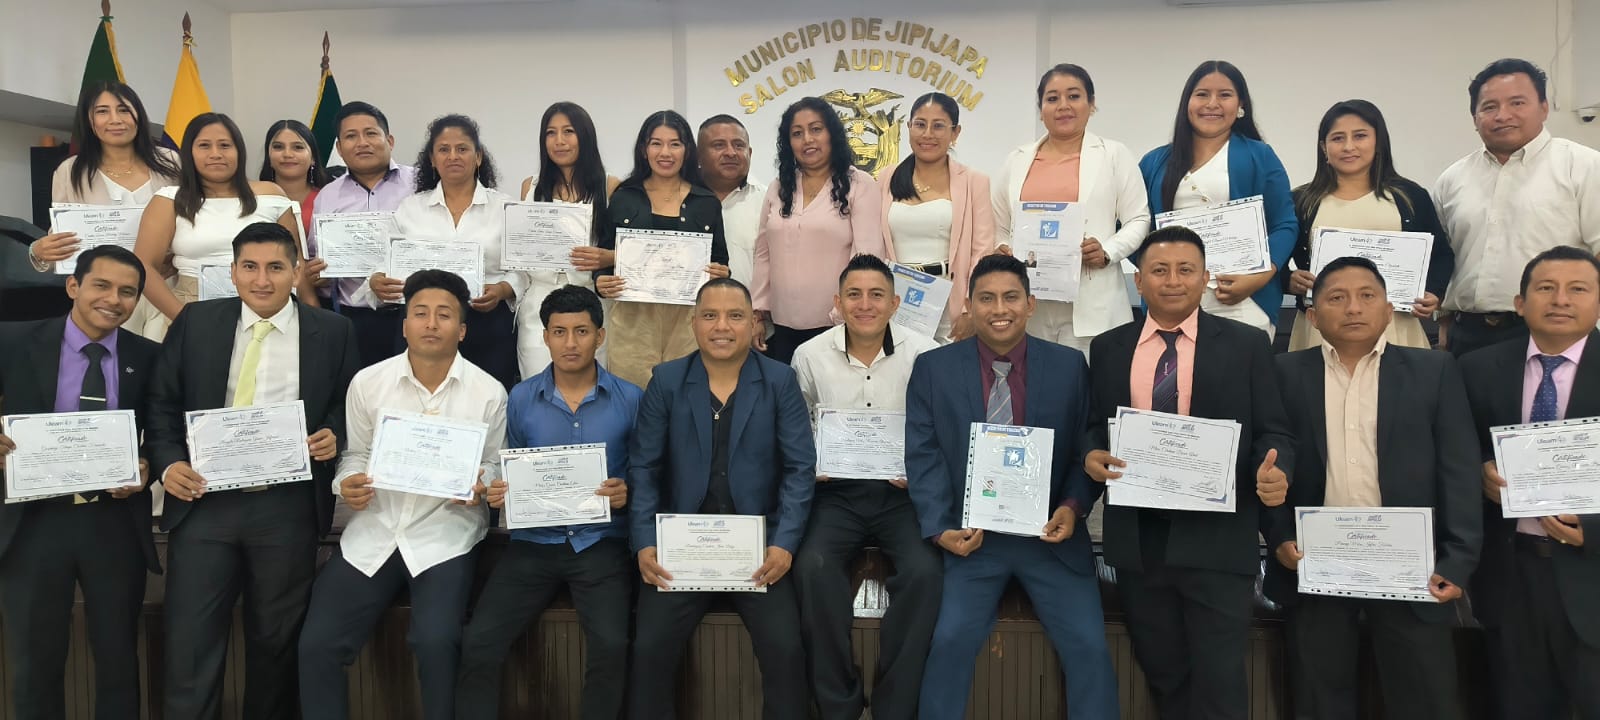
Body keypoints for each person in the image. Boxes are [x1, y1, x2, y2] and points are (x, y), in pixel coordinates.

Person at [146, 222, 359, 719]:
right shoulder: (196, 321)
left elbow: (346, 406)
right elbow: (161, 404)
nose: (262, 280)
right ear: (233, 272)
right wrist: (168, 462)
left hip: (285, 506)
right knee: (190, 643)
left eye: (276, 267)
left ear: (296, 271)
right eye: (250, 267)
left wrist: (333, 433)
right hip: (204, 503)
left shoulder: (333, 331)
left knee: (276, 644)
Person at [1083, 226, 1294, 720]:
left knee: (1221, 681)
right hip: (1140, 540)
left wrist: (1277, 469)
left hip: (1218, 539)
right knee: (1165, 676)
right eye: (1159, 270)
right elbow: (1094, 425)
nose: (1173, 280)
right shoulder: (1109, 347)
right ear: (1139, 281)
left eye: (1185, 270)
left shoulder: (1247, 344)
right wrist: (1092, 453)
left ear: (1204, 278)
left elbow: (1274, 431)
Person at [906, 253, 1118, 719]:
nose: (999, 309)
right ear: (969, 304)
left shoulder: (1069, 366)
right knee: (949, 640)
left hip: (1050, 536)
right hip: (971, 539)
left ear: (1030, 304)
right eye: (986, 298)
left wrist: (1072, 507)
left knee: (1088, 645)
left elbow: (1086, 444)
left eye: (1010, 297)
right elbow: (923, 455)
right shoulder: (934, 368)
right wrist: (940, 528)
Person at [1268, 257, 1479, 719]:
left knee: (1423, 701)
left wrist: (1458, 559)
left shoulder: (1434, 371)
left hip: (1414, 572)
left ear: (1388, 310)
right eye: (1337, 297)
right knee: (1319, 702)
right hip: (1316, 566)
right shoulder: (1283, 373)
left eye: (1367, 296)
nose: (1353, 308)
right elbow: (1269, 467)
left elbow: (1459, 471)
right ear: (1312, 315)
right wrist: (1279, 537)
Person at [298, 269, 505, 720]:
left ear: (462, 330)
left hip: (445, 532)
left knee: (436, 642)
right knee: (317, 644)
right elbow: (355, 454)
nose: (431, 323)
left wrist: (480, 486)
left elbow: (492, 464)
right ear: (405, 324)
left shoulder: (489, 392)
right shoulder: (368, 382)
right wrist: (346, 482)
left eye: (444, 315)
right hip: (376, 526)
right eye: (420, 313)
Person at [627, 277, 814, 720]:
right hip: (680, 550)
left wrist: (784, 544)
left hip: (757, 551)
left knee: (787, 651)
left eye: (735, 316)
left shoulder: (780, 380)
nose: (722, 326)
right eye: (710, 316)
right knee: (648, 650)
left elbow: (799, 469)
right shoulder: (667, 381)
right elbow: (644, 469)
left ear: (754, 324)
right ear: (693, 323)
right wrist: (644, 543)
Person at [457, 284, 638, 720]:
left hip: (600, 543)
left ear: (600, 336)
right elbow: (505, 463)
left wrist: (628, 490)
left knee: (612, 645)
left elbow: (646, 470)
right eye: (559, 332)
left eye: (581, 331)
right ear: (545, 337)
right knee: (479, 641)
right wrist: (498, 488)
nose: (570, 343)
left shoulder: (632, 398)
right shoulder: (520, 398)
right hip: (533, 543)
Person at [0, 246, 161, 719]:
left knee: (118, 660)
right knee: (34, 663)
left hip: (112, 522)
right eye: (101, 285)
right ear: (73, 286)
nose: (113, 299)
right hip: (33, 522)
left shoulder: (149, 356)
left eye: (127, 292)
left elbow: (163, 430)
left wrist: (147, 464)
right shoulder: (12, 339)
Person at [790, 254, 942, 720]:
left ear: (895, 303)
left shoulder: (925, 353)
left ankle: (895, 705)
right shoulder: (809, 355)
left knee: (925, 573)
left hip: (903, 494)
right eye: (854, 295)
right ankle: (839, 703)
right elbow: (796, 427)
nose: (865, 304)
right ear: (838, 302)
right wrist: (817, 463)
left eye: (877, 295)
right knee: (812, 568)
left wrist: (919, 472)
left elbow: (940, 427)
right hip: (835, 493)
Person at [1461, 245, 1600, 719]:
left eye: (1577, 289)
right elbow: (1455, 450)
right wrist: (1479, 469)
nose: (1560, 300)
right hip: (1510, 574)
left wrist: (1593, 530)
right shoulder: (1477, 369)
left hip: (1591, 571)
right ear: (1520, 303)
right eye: (1546, 288)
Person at [1435, 58, 1600, 357]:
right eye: (1489, 107)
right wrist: (1444, 321)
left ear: (1544, 108)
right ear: (1474, 117)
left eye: (1517, 103)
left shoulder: (1584, 166)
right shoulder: (1452, 179)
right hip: (1467, 334)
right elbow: (1444, 257)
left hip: (1553, 332)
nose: (1503, 115)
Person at [993, 63, 1150, 354]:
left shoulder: (1114, 154)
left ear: (1092, 104)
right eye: (1052, 98)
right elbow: (999, 226)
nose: (1063, 106)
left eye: (1074, 96)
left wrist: (1107, 251)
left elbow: (1139, 219)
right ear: (1041, 109)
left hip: (1093, 300)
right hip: (1032, 301)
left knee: (1093, 379)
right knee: (1036, 379)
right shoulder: (1016, 160)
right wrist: (1002, 246)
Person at [1139, 60, 1298, 339]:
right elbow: (1132, 225)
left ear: (1240, 104)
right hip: (1172, 298)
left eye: (1224, 95)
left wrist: (1260, 276)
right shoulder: (1155, 162)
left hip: (1242, 299)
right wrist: (1156, 273)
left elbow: (1285, 224)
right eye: (1202, 94)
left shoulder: (1260, 156)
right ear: (1187, 102)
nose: (1212, 104)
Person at [1285, 100, 1454, 351]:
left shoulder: (1410, 196)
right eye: (1338, 138)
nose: (1348, 146)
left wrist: (1433, 292)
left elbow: (1441, 255)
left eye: (1360, 136)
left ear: (1378, 142)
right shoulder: (1301, 201)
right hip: (1322, 329)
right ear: (1324, 148)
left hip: (1396, 326)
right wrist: (1288, 280)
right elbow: (1274, 258)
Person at [132, 113, 308, 340]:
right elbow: (144, 266)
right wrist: (184, 318)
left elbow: (295, 263)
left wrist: (309, 313)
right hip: (191, 310)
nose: (215, 154)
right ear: (189, 152)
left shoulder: (271, 194)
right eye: (204, 145)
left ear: (239, 151)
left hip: (269, 313)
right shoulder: (168, 200)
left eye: (225, 145)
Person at [595, 110, 730, 388]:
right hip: (633, 320)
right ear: (643, 150)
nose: (665, 152)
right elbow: (604, 259)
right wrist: (601, 282)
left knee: (686, 397)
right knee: (632, 398)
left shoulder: (706, 202)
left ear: (687, 150)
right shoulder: (624, 197)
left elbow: (721, 262)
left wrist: (721, 273)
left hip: (688, 322)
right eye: (656, 143)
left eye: (675, 144)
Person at [393, 114, 525, 391]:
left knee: (487, 398)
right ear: (432, 159)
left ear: (478, 157)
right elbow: (388, 261)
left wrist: (502, 289)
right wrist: (378, 279)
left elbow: (523, 268)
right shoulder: (410, 208)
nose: (453, 156)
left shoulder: (505, 208)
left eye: (462, 149)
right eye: (444, 149)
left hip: (487, 321)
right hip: (426, 322)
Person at [753, 96, 887, 362]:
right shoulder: (779, 187)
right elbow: (763, 252)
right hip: (780, 327)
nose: (807, 140)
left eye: (816, 129)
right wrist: (757, 312)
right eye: (797, 133)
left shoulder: (859, 184)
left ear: (832, 135)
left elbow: (867, 257)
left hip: (838, 325)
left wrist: (844, 311)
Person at [514, 102, 622, 379]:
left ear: (584, 136)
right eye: (551, 133)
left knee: (591, 386)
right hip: (539, 303)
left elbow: (627, 248)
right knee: (539, 385)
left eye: (568, 131)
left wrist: (607, 257)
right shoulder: (530, 186)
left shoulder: (610, 186)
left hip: (590, 301)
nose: (559, 141)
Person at [879, 92, 994, 344]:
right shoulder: (886, 178)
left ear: (955, 132)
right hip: (896, 300)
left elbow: (982, 252)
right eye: (920, 124)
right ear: (908, 128)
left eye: (938, 126)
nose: (928, 134)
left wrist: (970, 308)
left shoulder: (974, 181)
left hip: (950, 302)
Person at [29, 81, 181, 272]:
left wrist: (177, 258)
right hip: (105, 284)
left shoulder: (171, 162)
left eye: (124, 110)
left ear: (139, 116)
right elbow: (62, 242)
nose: (115, 119)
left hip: (167, 282)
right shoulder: (69, 171)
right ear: (89, 121)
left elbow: (195, 221)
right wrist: (38, 252)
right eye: (102, 111)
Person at [311, 101, 418, 370]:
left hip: (414, 314)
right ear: (339, 148)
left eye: (371, 133)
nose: (362, 143)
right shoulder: (327, 196)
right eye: (351, 136)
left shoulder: (421, 184)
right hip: (352, 319)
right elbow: (318, 259)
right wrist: (317, 273)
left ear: (389, 140)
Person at [698, 114, 765, 286]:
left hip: (753, 303)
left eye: (739, 145)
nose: (731, 153)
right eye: (719, 145)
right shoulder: (679, 199)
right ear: (698, 155)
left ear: (750, 153)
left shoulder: (769, 201)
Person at [258, 119, 331, 237]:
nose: (287, 154)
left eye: (298, 147)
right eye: (278, 147)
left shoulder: (328, 201)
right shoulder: (254, 201)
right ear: (268, 157)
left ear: (313, 158)